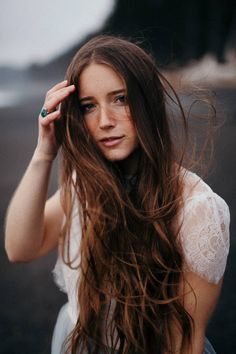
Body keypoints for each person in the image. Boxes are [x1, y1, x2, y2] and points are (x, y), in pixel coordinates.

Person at [5, 35, 230, 354]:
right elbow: (19, 248)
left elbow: (184, 344)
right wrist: (44, 153)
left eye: (120, 99)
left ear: (147, 101)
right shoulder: (85, 187)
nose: (105, 121)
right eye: (88, 106)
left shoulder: (198, 209)